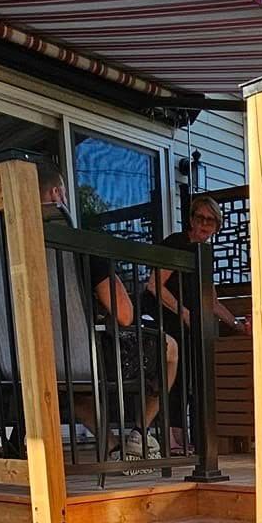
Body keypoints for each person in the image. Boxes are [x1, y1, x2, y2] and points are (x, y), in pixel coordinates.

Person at [36, 159, 176, 459]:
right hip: (87, 356)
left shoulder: (6, 244)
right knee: (170, 350)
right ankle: (139, 433)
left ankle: (111, 443)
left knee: (69, 383)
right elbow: (124, 314)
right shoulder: (79, 245)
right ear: (59, 194)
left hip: (32, 360)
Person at [140, 193, 247, 447]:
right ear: (190, 219)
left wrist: (238, 326)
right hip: (160, 318)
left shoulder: (203, 253)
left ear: (217, 226)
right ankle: (171, 438)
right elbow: (155, 285)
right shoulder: (176, 244)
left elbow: (212, 301)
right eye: (200, 218)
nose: (204, 224)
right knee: (174, 375)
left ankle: (182, 437)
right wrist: (185, 312)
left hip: (185, 323)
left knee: (190, 374)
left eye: (211, 220)